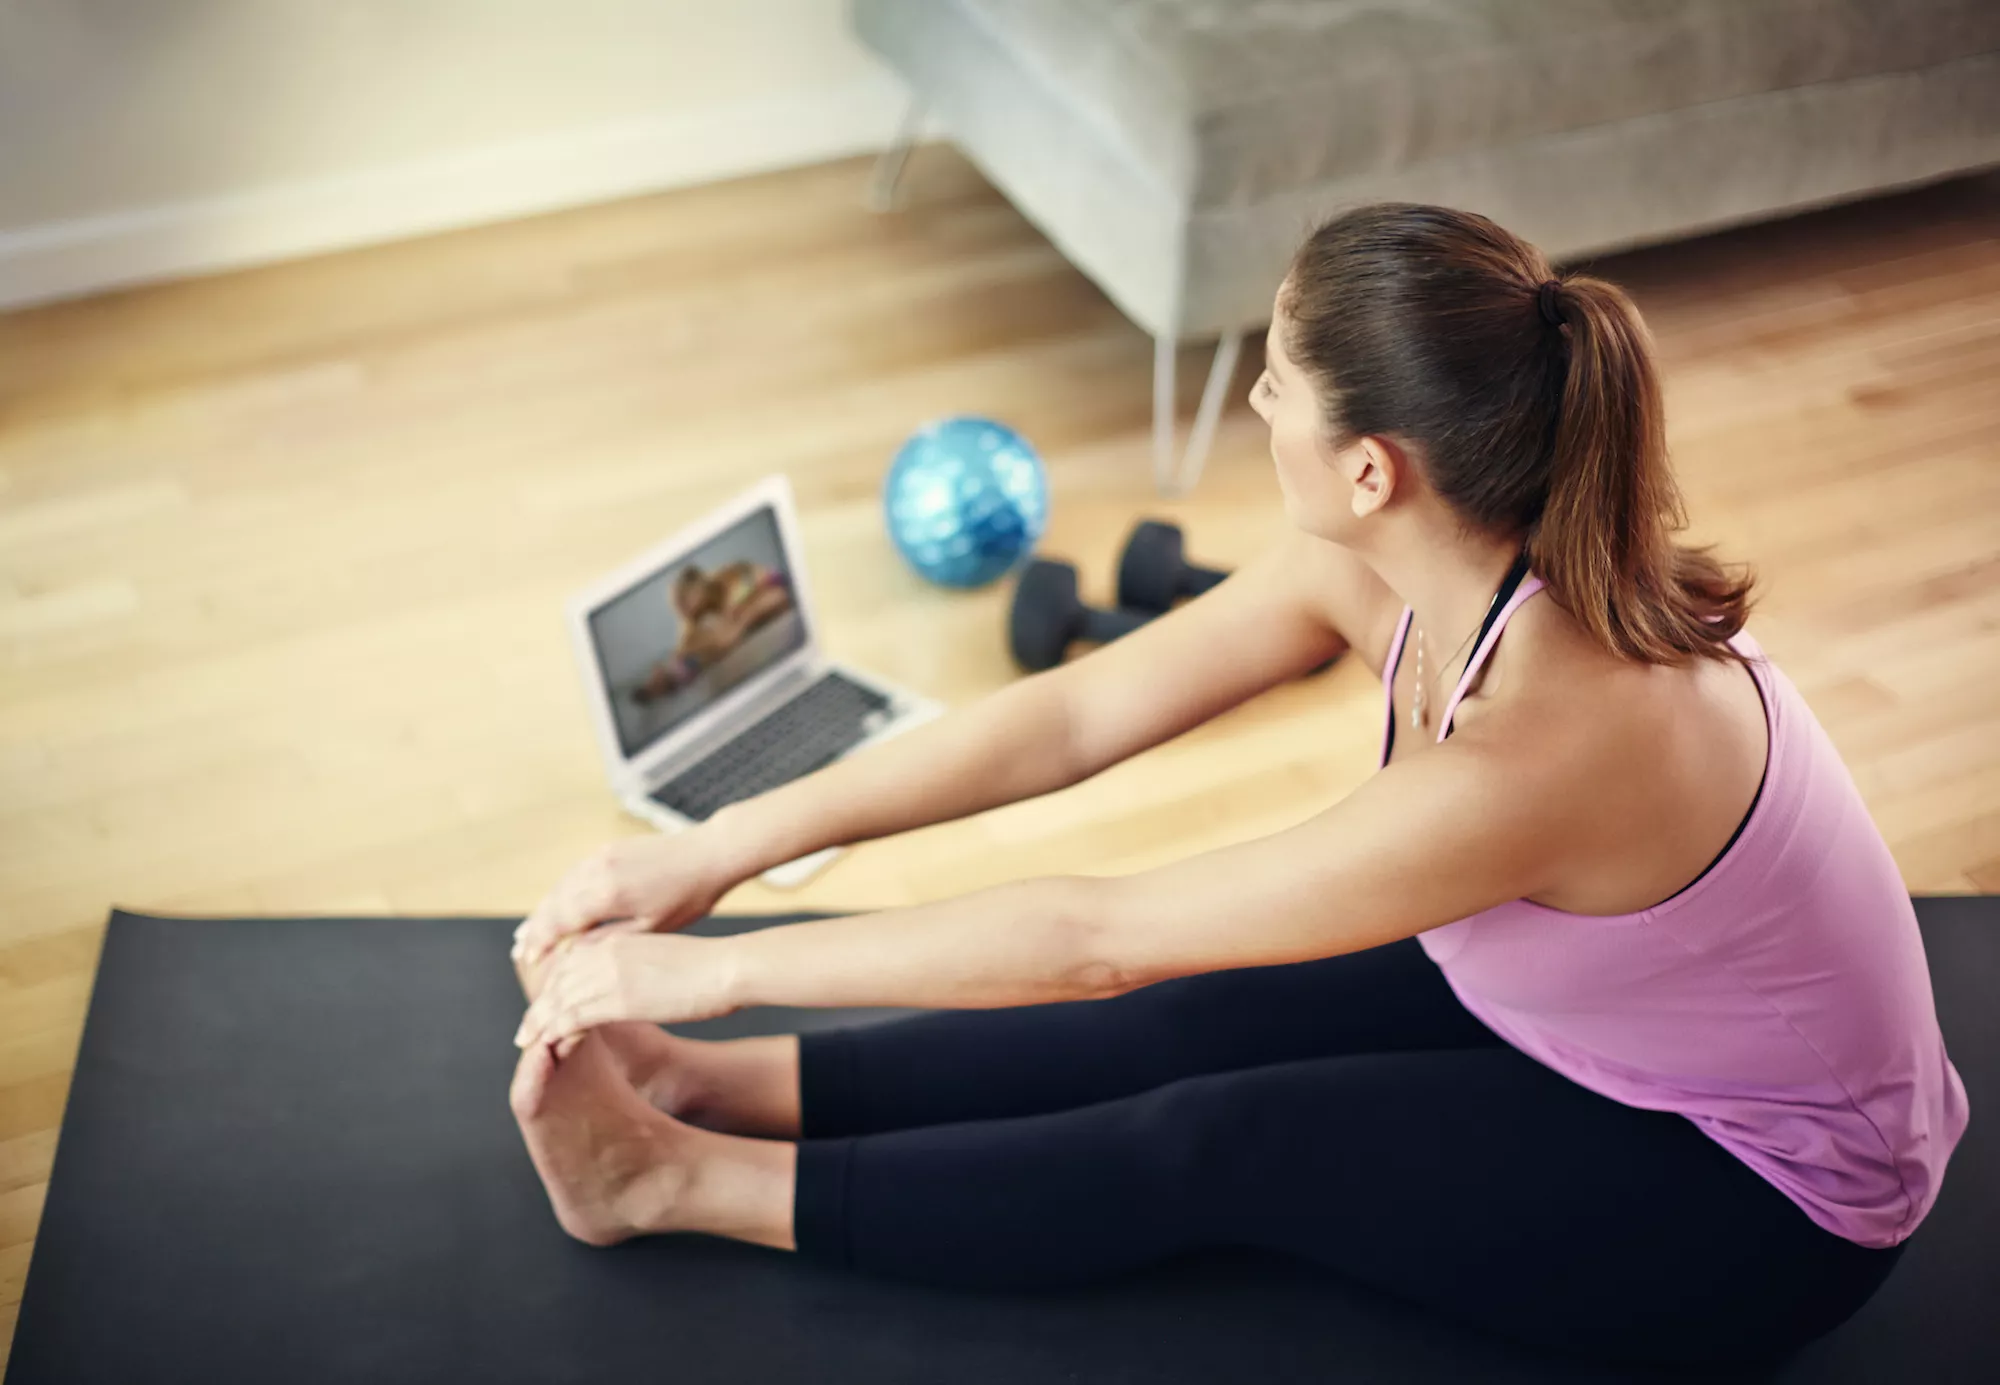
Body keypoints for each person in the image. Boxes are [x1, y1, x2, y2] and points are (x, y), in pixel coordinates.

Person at [506, 204, 1969, 1368]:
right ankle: (719, 1092)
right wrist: (721, 850)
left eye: (1274, 380)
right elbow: (1078, 712)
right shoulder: (1413, 558)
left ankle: (671, 1183)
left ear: (1373, 469)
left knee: (1219, 1140)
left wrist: (717, 969)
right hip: (1597, 1009)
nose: (1256, 403)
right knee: (1200, 1018)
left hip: (1754, 1209)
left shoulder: (1552, 735)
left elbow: (1092, 937)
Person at [631, 560, 793, 704]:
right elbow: (687, 651)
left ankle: (673, 677)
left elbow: (764, 577)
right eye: (677, 605)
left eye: (683, 601)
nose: (680, 610)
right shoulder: (692, 628)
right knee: (703, 650)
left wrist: (738, 614)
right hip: (742, 627)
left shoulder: (727, 578)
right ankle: (664, 682)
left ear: (698, 589)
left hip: (770, 593)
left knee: (765, 599)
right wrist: (673, 671)